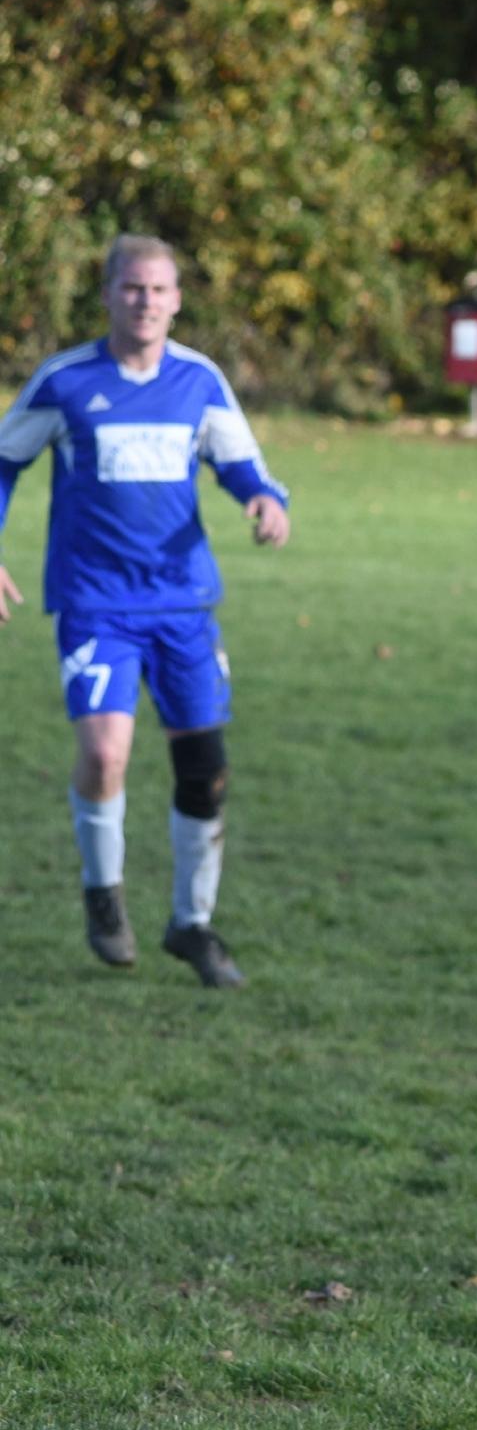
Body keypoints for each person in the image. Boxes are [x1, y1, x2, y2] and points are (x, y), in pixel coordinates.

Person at [0, 235, 291, 987]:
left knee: (205, 769)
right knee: (104, 756)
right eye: (133, 288)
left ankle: (192, 925)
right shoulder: (66, 382)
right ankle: (104, 895)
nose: (146, 302)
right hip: (97, 603)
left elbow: (240, 463)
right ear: (107, 295)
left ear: (177, 300)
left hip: (183, 605)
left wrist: (263, 499)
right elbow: (4, 463)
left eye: (159, 290)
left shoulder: (198, 380)